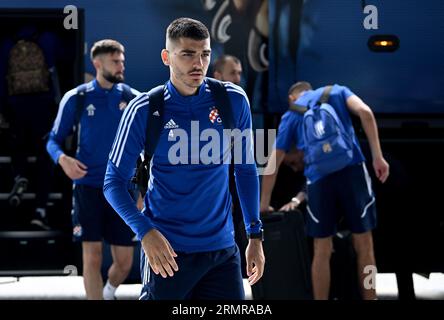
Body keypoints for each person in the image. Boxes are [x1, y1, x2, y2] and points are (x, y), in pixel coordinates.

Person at [104, 17, 265, 300]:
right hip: (167, 253)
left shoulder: (233, 100)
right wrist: (145, 232)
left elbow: (246, 169)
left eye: (204, 54)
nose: (198, 63)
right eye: (188, 54)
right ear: (167, 57)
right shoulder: (144, 109)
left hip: (222, 254)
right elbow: (112, 183)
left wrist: (255, 235)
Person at [260, 81, 389, 300]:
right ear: (310, 90)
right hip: (352, 172)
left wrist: (264, 203)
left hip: (319, 181)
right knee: (365, 245)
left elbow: (274, 162)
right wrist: (378, 156)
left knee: (321, 250)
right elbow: (366, 113)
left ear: (292, 98)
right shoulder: (337, 91)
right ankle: (371, 297)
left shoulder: (292, 114)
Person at [46, 39, 139, 300]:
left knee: (124, 264)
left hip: (122, 189)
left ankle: (108, 292)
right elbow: (53, 140)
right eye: (115, 61)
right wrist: (62, 159)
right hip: (87, 187)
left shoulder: (133, 98)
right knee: (93, 255)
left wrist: (143, 187)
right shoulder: (77, 98)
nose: (121, 66)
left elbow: (147, 145)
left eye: (122, 61)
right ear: (97, 64)